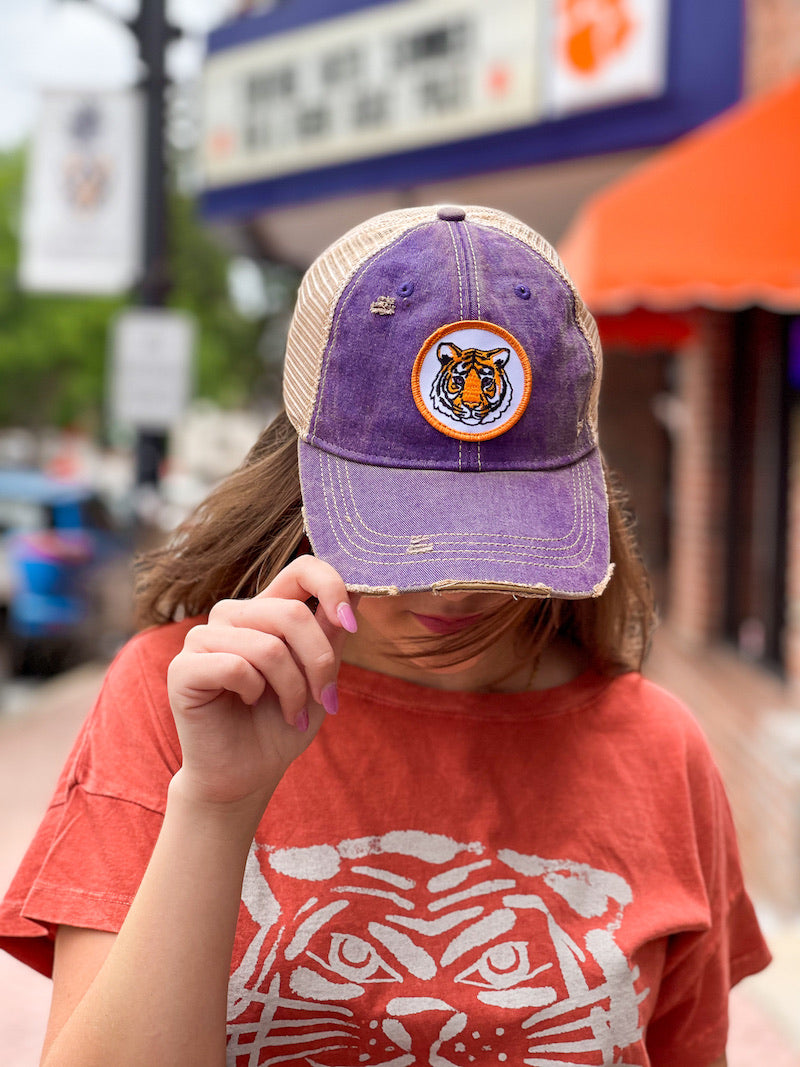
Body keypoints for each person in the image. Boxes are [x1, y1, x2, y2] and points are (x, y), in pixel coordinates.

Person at [0, 204, 770, 1067]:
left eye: (500, 528)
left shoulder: (661, 751)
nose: (453, 584)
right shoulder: (177, 701)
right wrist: (215, 807)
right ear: (299, 476)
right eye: (404, 525)